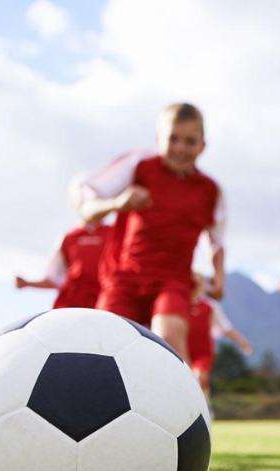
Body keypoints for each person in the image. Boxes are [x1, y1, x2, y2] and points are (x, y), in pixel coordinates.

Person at [70, 103, 225, 359]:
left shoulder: (210, 191)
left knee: (168, 338)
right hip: (125, 278)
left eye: (189, 141)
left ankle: (178, 398)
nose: (180, 148)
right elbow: (85, 207)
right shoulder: (139, 167)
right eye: (173, 139)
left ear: (202, 145)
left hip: (173, 281)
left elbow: (217, 239)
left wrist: (218, 277)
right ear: (158, 140)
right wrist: (117, 203)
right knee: (102, 343)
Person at [14, 219, 110, 309]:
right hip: (71, 303)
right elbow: (53, 279)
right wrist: (27, 283)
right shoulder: (70, 237)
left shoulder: (113, 233)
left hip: (105, 302)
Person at [187, 278, 253, 399]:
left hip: (202, 353)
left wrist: (242, 342)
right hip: (182, 350)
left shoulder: (210, 306)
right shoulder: (177, 304)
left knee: (200, 377)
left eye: (198, 283)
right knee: (184, 381)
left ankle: (205, 407)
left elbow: (226, 328)